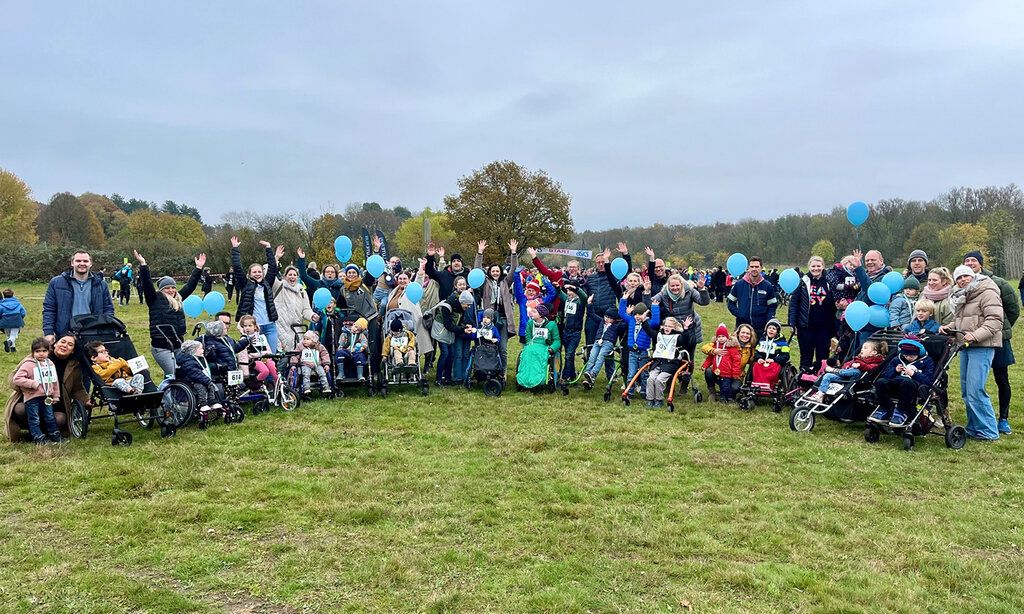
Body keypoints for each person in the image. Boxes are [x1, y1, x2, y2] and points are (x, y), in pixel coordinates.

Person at [941, 265, 1004, 440]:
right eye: (959, 278)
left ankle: (989, 431)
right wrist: (949, 327)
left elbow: (995, 320)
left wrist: (975, 335)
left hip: (982, 346)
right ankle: (974, 427)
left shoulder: (987, 291)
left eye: (966, 276)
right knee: (966, 389)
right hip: (966, 346)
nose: (963, 280)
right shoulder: (962, 295)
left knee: (976, 389)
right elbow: (962, 320)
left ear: (973, 276)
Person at [962, 252, 1018, 434]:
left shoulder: (998, 283)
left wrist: (998, 329)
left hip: (997, 338)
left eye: (973, 260)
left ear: (981, 263)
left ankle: (1003, 418)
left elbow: (1013, 309)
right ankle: (977, 421)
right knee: (974, 382)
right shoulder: (964, 285)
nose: (970, 263)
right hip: (974, 342)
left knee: (1001, 377)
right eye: (967, 261)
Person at [134, 250, 204, 381]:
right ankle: (167, 392)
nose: (171, 290)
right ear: (161, 289)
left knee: (182, 372)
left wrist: (198, 268)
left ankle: (175, 392)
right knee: (172, 374)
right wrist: (143, 265)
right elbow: (147, 284)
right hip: (161, 346)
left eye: (173, 287)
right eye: (167, 288)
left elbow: (190, 286)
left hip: (178, 344)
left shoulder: (178, 299)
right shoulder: (154, 299)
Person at [42, 250, 114, 342]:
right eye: (78, 261)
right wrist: (48, 332)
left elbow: (108, 308)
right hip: (65, 333)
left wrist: (105, 328)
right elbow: (49, 309)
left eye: (85, 261)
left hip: (93, 333)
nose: (82, 263)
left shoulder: (101, 284)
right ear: (72, 263)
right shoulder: (56, 282)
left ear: (91, 263)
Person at [867, 336, 934, 428]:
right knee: (881, 382)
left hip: (913, 385)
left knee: (906, 382)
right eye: (906, 355)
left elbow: (928, 381)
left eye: (911, 356)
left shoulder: (927, 361)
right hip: (895, 382)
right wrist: (895, 370)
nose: (908, 358)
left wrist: (914, 374)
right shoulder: (897, 359)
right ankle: (885, 407)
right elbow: (885, 375)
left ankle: (902, 410)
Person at [232, 237, 282, 353]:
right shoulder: (245, 284)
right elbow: (237, 268)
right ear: (249, 274)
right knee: (255, 356)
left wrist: (268, 248)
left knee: (272, 355)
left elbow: (272, 268)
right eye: (254, 272)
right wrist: (235, 249)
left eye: (259, 272)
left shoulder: (267, 283)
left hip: (270, 326)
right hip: (253, 327)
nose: (257, 274)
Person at [12, 338, 66, 445]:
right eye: (37, 351)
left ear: (48, 352)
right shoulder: (28, 364)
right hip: (32, 397)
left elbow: (54, 381)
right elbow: (17, 379)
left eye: (44, 351)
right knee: (34, 419)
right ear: (33, 352)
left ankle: (54, 435)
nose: (41, 354)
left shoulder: (50, 364)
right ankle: (38, 438)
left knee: (50, 417)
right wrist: (32, 383)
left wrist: (56, 395)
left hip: (47, 397)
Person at [788, 256, 835, 371]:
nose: (816, 268)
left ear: (823, 267)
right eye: (813, 266)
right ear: (809, 267)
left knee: (823, 358)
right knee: (806, 358)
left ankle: (820, 379)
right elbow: (794, 303)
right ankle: (804, 379)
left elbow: (834, 303)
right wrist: (792, 323)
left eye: (818, 266)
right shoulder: (802, 282)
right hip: (805, 327)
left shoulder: (829, 281)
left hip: (824, 328)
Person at [476, 241, 517, 370]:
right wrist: (480, 253)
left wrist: (513, 253)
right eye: (493, 271)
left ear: (500, 272)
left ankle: (502, 371)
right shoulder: (485, 283)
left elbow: (513, 269)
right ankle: (488, 368)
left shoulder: (505, 282)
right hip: (489, 319)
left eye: (497, 271)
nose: (495, 273)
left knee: (502, 348)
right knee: (488, 345)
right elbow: (477, 271)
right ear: (489, 272)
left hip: (503, 319)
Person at [806, 340, 887, 403]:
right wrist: (848, 365)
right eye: (862, 347)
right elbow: (847, 364)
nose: (862, 349)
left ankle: (835, 370)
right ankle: (820, 394)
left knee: (856, 371)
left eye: (865, 348)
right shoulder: (858, 358)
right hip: (844, 375)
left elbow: (870, 368)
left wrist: (860, 365)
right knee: (827, 376)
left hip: (857, 378)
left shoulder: (876, 361)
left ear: (874, 352)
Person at [642, 315, 694, 407]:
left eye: (670, 326)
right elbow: (649, 331)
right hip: (657, 362)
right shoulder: (659, 335)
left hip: (670, 364)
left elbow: (685, 340)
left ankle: (659, 400)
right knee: (650, 379)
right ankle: (650, 399)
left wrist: (686, 328)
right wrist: (643, 321)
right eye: (665, 326)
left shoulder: (677, 337)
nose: (667, 328)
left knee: (659, 380)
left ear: (674, 327)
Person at [175, 340, 222, 425]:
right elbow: (195, 374)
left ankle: (212, 401)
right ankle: (202, 403)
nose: (203, 350)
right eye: (200, 349)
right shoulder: (188, 362)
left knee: (210, 385)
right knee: (202, 386)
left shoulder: (196, 359)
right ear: (193, 351)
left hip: (197, 379)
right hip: (189, 381)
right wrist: (207, 381)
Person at [727, 257, 778, 333]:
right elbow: (730, 303)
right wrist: (739, 314)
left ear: (761, 268)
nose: (754, 269)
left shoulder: (767, 286)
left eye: (757, 267)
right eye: (752, 266)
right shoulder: (739, 284)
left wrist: (768, 320)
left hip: (761, 327)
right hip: (742, 327)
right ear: (748, 268)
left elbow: (772, 306)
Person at [515, 304, 560, 389]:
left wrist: (551, 348)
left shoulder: (551, 325)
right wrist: (529, 344)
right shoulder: (530, 323)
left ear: (541, 315)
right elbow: (528, 337)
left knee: (539, 355)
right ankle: (524, 378)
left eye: (534, 312)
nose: (531, 313)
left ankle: (540, 378)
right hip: (532, 346)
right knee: (526, 353)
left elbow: (557, 340)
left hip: (545, 347)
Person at [582, 308, 627, 389]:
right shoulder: (601, 321)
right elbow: (592, 314)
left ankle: (593, 374)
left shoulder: (617, 325)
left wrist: (627, 314)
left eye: (609, 318)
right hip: (597, 342)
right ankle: (588, 374)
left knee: (600, 357)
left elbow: (626, 323)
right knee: (592, 357)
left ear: (614, 319)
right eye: (605, 316)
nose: (606, 319)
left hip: (608, 343)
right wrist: (589, 304)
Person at [274, 264, 315, 352]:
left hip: (297, 329)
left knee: (296, 355)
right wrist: (275, 260)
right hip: (281, 328)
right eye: (290, 274)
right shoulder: (279, 287)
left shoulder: (302, 291)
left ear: (297, 277)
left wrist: (312, 316)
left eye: (294, 275)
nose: (292, 277)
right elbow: (271, 277)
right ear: (285, 276)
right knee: (282, 355)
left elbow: (306, 309)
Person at [701, 323, 741, 402]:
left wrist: (735, 373)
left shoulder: (731, 348)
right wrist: (705, 365)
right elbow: (710, 358)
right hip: (717, 371)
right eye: (719, 337)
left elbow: (736, 361)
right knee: (722, 385)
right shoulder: (715, 347)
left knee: (726, 386)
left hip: (727, 373)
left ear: (727, 337)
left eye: (723, 336)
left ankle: (728, 398)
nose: (721, 338)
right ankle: (719, 395)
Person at [557, 282, 588, 384]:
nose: (569, 293)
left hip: (575, 333)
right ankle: (573, 375)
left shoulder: (580, 302)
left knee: (569, 354)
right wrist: (557, 287)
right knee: (569, 355)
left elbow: (584, 296)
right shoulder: (567, 300)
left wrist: (576, 288)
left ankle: (565, 377)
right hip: (566, 331)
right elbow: (560, 293)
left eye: (571, 291)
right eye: (568, 291)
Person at [237, 315, 278, 384]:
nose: (247, 328)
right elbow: (246, 355)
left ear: (255, 327)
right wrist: (260, 354)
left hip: (265, 358)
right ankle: (255, 383)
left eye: (250, 325)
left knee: (274, 371)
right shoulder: (244, 339)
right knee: (265, 371)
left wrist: (269, 355)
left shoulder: (262, 337)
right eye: (245, 326)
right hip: (254, 361)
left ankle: (278, 387)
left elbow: (268, 349)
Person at [751, 318, 790, 390]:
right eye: (769, 328)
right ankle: (757, 385)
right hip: (763, 361)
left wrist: (774, 360)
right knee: (756, 365)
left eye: (774, 329)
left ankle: (769, 385)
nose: (771, 330)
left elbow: (786, 356)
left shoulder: (782, 343)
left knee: (773, 367)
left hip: (775, 362)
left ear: (777, 331)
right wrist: (759, 358)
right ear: (766, 329)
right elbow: (757, 352)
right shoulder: (762, 340)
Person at [0, 288, 27, 353]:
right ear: (13, 294)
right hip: (16, 320)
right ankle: (9, 343)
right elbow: (23, 312)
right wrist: (20, 318)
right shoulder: (18, 303)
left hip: (5, 321)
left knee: (8, 335)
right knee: (13, 335)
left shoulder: (1, 304)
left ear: (4, 295)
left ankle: (13, 349)